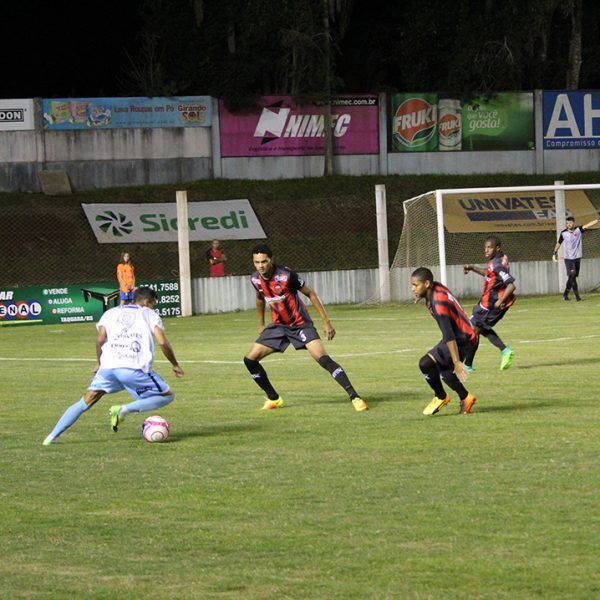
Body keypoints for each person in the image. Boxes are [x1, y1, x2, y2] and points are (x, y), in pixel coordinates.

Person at [42, 287, 184, 445]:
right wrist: (175, 364)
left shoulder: (110, 312)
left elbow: (100, 340)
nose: (153, 308)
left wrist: (99, 362)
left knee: (85, 401)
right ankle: (124, 409)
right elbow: (162, 341)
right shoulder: (149, 314)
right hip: (133, 367)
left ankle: (51, 437)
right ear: (147, 301)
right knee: (167, 395)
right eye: (153, 304)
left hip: (108, 367)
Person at [243, 244, 367, 412]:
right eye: (257, 262)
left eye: (264, 261)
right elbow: (259, 298)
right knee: (250, 360)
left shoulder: (287, 276)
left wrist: (326, 321)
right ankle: (274, 398)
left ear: (271, 260)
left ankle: (355, 397)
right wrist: (261, 323)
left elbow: (311, 294)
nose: (261, 266)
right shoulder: (255, 279)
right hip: (278, 327)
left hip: (300, 324)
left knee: (323, 359)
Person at [411, 267, 478, 415]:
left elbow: (449, 336)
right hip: (465, 334)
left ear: (427, 283)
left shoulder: (438, 305)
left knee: (425, 363)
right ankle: (466, 398)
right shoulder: (436, 287)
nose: (412, 288)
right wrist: (421, 296)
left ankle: (441, 397)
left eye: (416, 285)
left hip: (462, 339)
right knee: (444, 370)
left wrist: (456, 362)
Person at [463, 236, 516, 372]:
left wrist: (500, 301)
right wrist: (473, 267)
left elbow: (510, 286)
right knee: (480, 329)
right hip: (487, 303)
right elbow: (489, 273)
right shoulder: (500, 258)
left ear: (497, 248)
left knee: (473, 331)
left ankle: (467, 365)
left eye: (489, 247)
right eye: (485, 247)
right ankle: (504, 351)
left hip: (489, 305)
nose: (486, 250)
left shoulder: (496, 264)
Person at [552, 215, 599, 301]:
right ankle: (577, 297)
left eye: (570, 223)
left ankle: (565, 295)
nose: (568, 224)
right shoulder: (563, 233)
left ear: (573, 223)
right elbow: (559, 243)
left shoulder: (578, 230)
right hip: (568, 259)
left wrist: (597, 220)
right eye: (567, 223)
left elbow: (588, 225)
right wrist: (554, 252)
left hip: (577, 258)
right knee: (572, 276)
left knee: (571, 277)